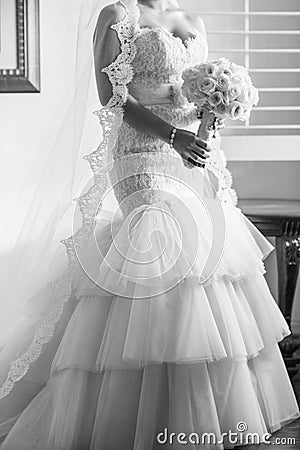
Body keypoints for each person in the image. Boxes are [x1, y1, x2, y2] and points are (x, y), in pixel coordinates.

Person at [0, 0, 299, 448]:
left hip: (191, 153)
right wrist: (171, 135)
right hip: (141, 151)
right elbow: (112, 96)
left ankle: (198, 410)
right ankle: (130, 407)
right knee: (159, 243)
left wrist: (213, 115)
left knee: (203, 264)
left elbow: (198, 97)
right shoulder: (118, 15)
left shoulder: (193, 20)